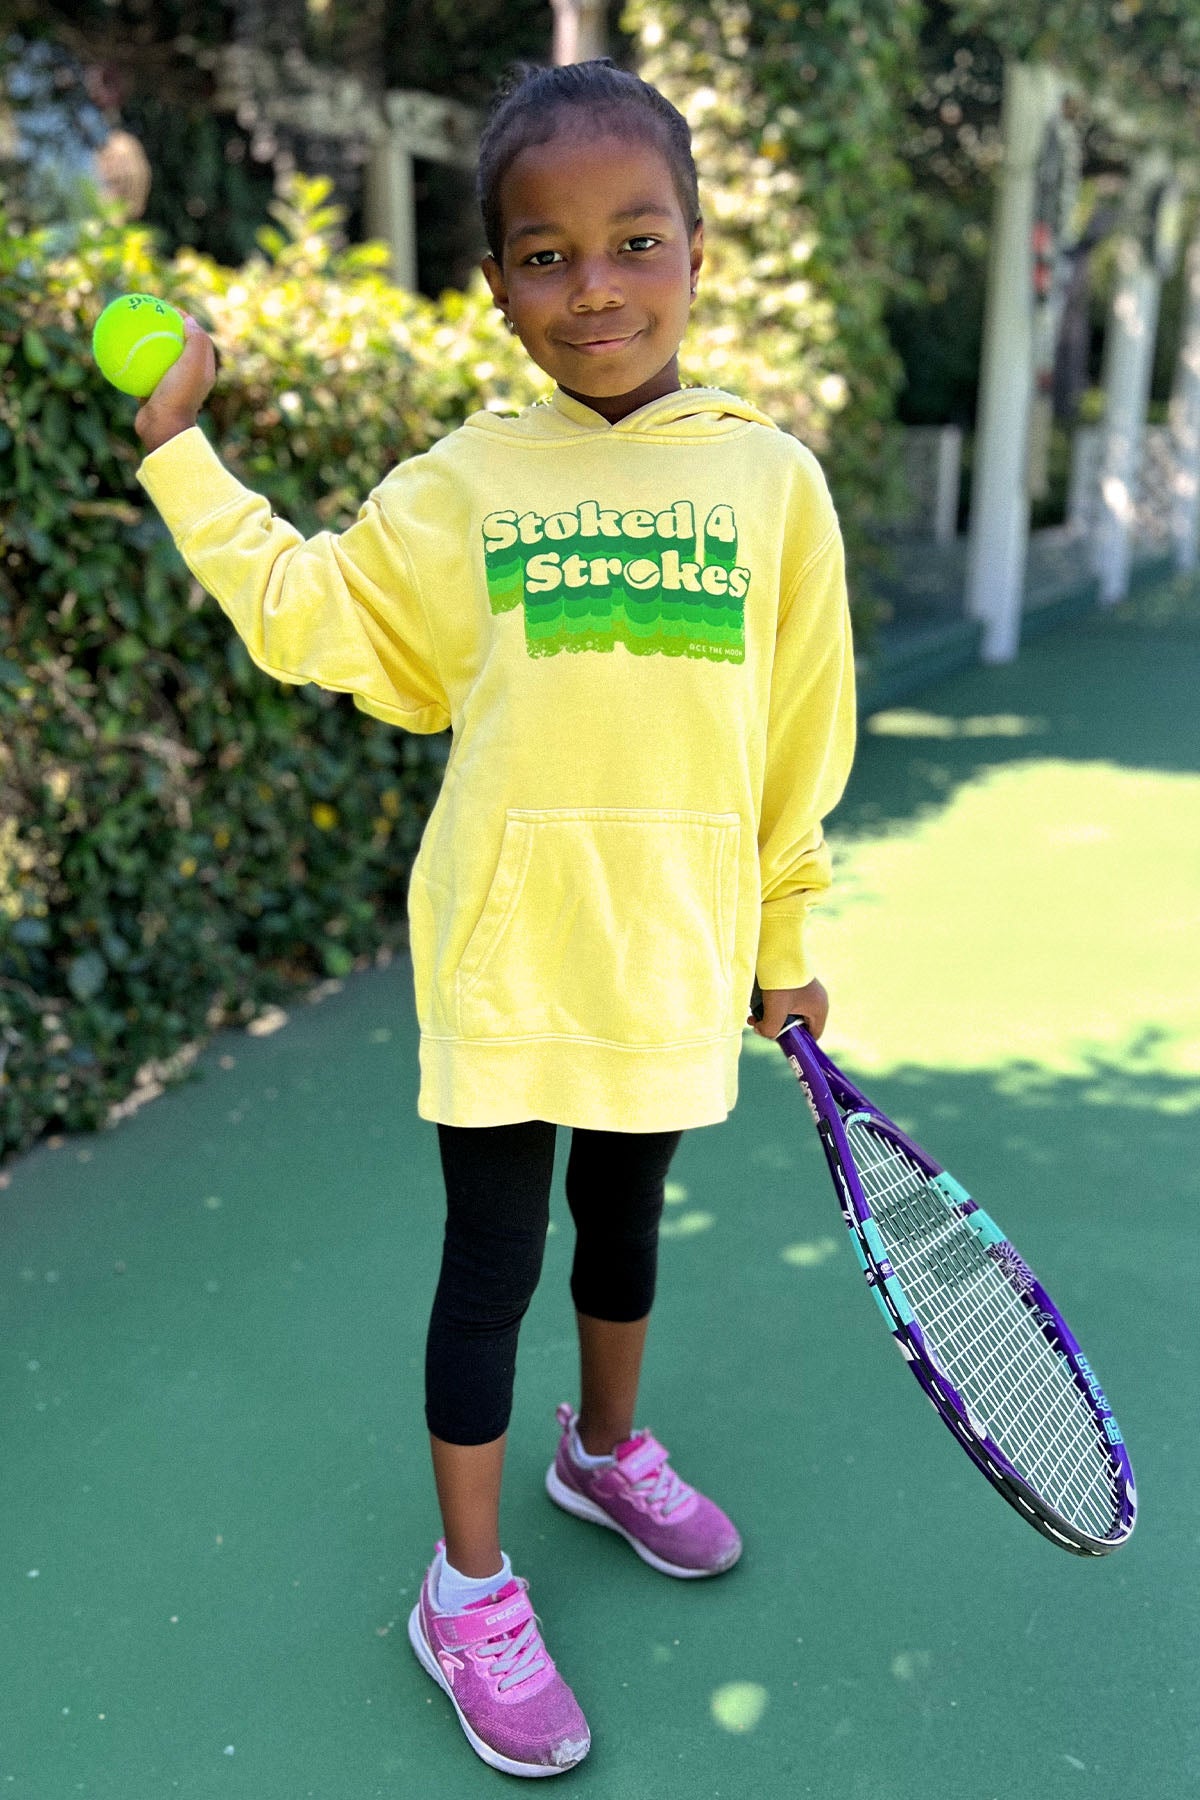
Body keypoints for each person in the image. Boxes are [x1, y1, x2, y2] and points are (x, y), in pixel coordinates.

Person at [131, 58, 856, 1781]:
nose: (593, 285)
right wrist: (180, 455)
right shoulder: (463, 485)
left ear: (695, 256)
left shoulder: (772, 487)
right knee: (494, 1268)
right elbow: (315, 613)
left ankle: (604, 1454)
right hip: (508, 964)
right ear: (499, 284)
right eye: (544, 254)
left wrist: (783, 939)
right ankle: (467, 1592)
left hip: (674, 968)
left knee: (621, 1242)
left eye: (635, 240)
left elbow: (795, 744)